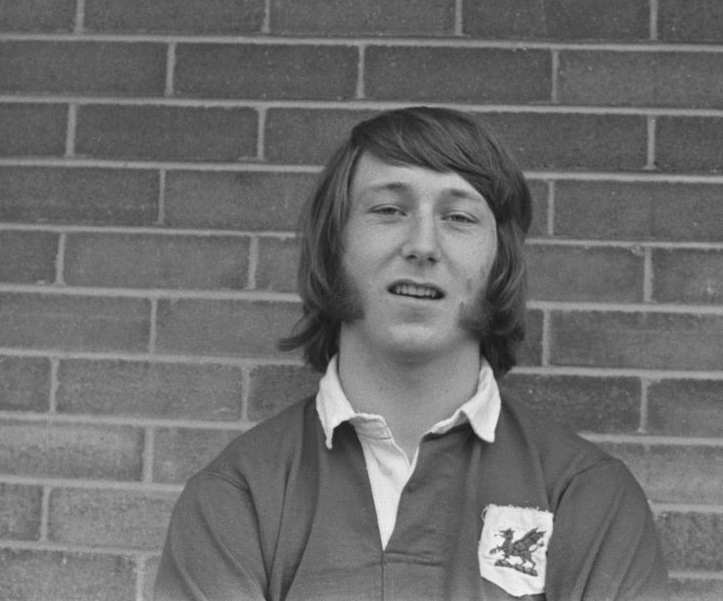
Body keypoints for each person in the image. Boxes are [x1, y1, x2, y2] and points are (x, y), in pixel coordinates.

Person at [154, 107, 669, 600]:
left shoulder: (588, 496)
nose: (423, 244)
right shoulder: (235, 498)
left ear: (500, 261)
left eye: (459, 217)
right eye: (389, 210)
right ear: (335, 245)